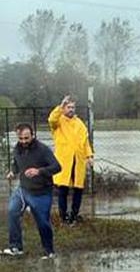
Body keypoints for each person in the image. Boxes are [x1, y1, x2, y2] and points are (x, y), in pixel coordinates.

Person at [3, 123, 61, 259]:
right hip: (23, 190)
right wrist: (12, 172)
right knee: (12, 211)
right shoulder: (17, 149)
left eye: (26, 138)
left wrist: (39, 171)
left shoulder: (43, 150)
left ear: (32, 135)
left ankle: (49, 252)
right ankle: (16, 247)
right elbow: (17, 164)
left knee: (42, 222)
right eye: (21, 138)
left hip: (41, 192)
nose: (24, 141)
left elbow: (57, 167)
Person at [48, 95, 94, 225]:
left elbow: (85, 142)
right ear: (63, 108)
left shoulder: (79, 123)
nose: (71, 109)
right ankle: (63, 217)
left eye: (73, 107)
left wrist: (89, 156)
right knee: (63, 189)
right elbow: (51, 119)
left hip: (78, 160)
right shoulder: (58, 122)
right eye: (68, 107)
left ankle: (74, 215)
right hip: (64, 161)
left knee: (78, 189)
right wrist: (60, 106)